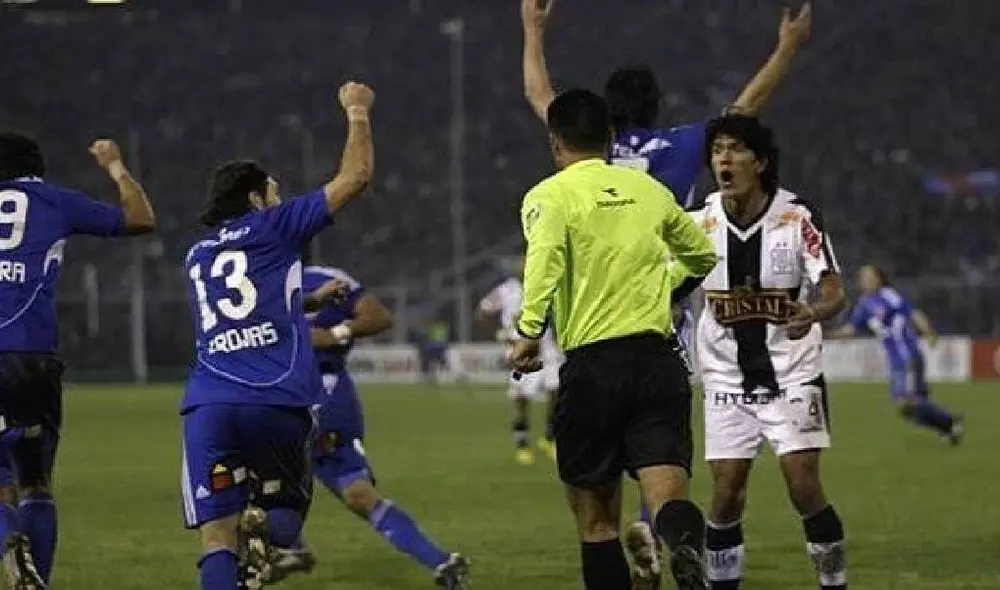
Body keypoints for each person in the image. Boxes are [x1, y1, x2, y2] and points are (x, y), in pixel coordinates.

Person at [520, 0, 812, 547]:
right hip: (661, 308)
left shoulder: (590, 147)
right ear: (656, 107)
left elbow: (540, 95)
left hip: (586, 315)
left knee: (597, 444)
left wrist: (532, 31)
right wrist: (789, 45)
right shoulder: (681, 144)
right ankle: (656, 529)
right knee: (658, 441)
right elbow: (743, 111)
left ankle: (617, 531)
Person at [509, 89, 718, 590]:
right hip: (657, 361)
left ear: (556, 142)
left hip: (594, 367)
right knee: (668, 498)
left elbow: (545, 263)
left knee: (597, 523)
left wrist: (528, 332)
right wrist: (656, 290)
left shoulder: (548, 196)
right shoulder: (648, 191)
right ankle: (684, 544)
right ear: (609, 138)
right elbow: (702, 256)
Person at [178, 81, 374, 590]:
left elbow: (238, 309)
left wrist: (305, 301)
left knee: (217, 540)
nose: (280, 199)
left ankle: (241, 544)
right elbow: (356, 176)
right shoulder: (275, 227)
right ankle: (265, 531)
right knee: (285, 516)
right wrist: (357, 111)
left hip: (210, 406)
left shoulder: (197, 256)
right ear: (255, 199)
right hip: (279, 402)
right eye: (274, 192)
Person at [688, 114, 848, 589]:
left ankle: (834, 583)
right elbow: (666, 283)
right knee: (725, 495)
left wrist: (813, 314)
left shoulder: (797, 216)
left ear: (758, 162)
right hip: (725, 380)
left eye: (735, 149)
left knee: (802, 485)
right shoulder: (698, 221)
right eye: (717, 150)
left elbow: (835, 291)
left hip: (792, 373)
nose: (724, 159)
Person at [0, 133, 155, 589]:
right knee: (36, 483)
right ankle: (36, 581)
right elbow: (141, 220)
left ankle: (8, 540)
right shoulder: (55, 201)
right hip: (32, 359)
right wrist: (114, 166)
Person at [264, 265, 470, 589]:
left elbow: (378, 317)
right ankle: (289, 548)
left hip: (326, 394)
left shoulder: (321, 277)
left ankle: (442, 563)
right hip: (272, 399)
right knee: (256, 488)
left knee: (357, 493)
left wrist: (335, 334)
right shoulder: (254, 280)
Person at [829, 265, 964, 443]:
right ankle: (948, 427)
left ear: (879, 279)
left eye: (870, 276)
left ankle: (949, 419)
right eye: (863, 278)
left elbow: (913, 312)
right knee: (909, 407)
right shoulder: (864, 304)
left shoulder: (888, 295)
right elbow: (851, 329)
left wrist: (928, 331)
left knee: (905, 402)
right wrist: (827, 335)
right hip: (896, 361)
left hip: (907, 355)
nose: (866, 281)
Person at [477, 256, 563, 465]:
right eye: (522, 264)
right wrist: (500, 334)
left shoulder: (546, 284)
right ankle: (522, 444)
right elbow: (482, 313)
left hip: (547, 345)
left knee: (557, 389)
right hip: (520, 347)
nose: (525, 267)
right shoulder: (506, 290)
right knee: (522, 397)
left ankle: (549, 438)